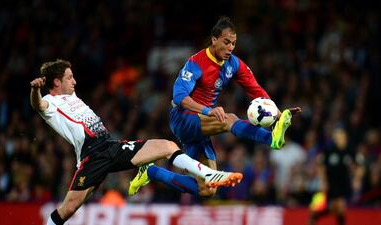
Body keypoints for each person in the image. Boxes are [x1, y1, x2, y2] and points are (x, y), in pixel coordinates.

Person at [30, 59, 243, 225]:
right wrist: (35, 90)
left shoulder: (72, 95)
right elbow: (38, 105)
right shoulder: (50, 102)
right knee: (67, 210)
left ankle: (207, 174)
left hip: (111, 145)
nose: (74, 81)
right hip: (92, 156)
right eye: (69, 77)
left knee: (168, 146)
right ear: (56, 82)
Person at [128, 16, 301, 197]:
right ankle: (271, 139)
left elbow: (255, 88)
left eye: (233, 43)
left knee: (208, 189)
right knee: (229, 119)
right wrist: (207, 110)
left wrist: (276, 112)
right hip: (183, 118)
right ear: (214, 39)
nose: (230, 48)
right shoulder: (196, 63)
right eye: (226, 42)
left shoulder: (233, 63)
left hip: (202, 126)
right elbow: (179, 97)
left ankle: (151, 172)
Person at [308, 126, 364, 225]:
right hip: (330, 184)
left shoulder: (351, 151)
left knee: (340, 207)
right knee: (336, 208)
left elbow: (361, 165)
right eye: (336, 136)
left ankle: (315, 217)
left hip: (344, 184)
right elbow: (320, 165)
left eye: (340, 136)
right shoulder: (329, 151)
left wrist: (357, 179)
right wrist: (323, 181)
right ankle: (316, 216)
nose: (338, 138)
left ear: (345, 137)